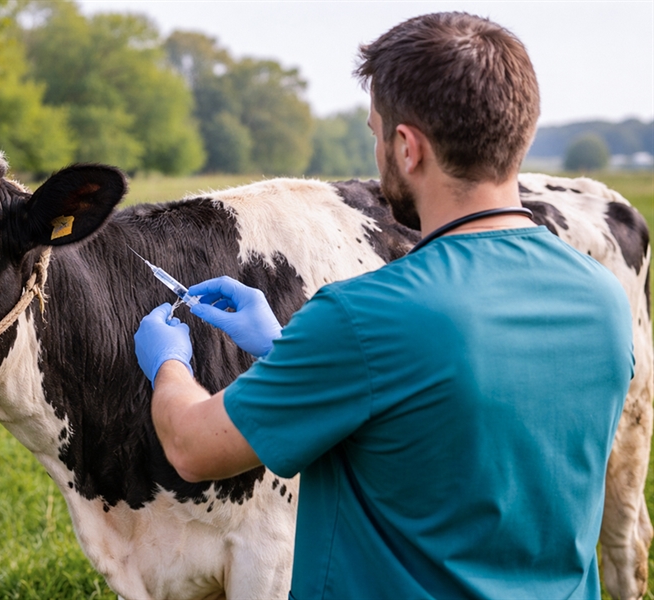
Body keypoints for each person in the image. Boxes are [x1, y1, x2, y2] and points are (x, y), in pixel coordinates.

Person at [134, 12, 635, 599]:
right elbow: (465, 419)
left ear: (406, 147)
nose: (376, 151)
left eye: (376, 133)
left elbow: (193, 448)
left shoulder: (362, 316)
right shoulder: (601, 296)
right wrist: (285, 350)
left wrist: (168, 361)